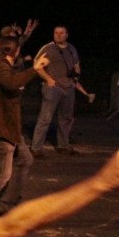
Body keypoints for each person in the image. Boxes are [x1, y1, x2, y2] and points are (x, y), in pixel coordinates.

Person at [0, 36, 48, 223]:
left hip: (8, 128)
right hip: (0, 129)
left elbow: (11, 83)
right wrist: (35, 69)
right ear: (17, 51)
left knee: (24, 159)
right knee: (1, 174)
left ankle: (6, 202)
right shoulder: (0, 67)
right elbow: (11, 83)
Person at [31, 25, 81, 156]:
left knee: (66, 118)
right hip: (53, 88)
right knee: (45, 118)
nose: (58, 35)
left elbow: (76, 65)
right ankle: (36, 148)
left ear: (67, 35)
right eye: (56, 33)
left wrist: (75, 79)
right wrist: (48, 79)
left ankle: (63, 145)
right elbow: (37, 66)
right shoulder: (48, 48)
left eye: (61, 33)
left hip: (68, 87)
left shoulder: (71, 49)